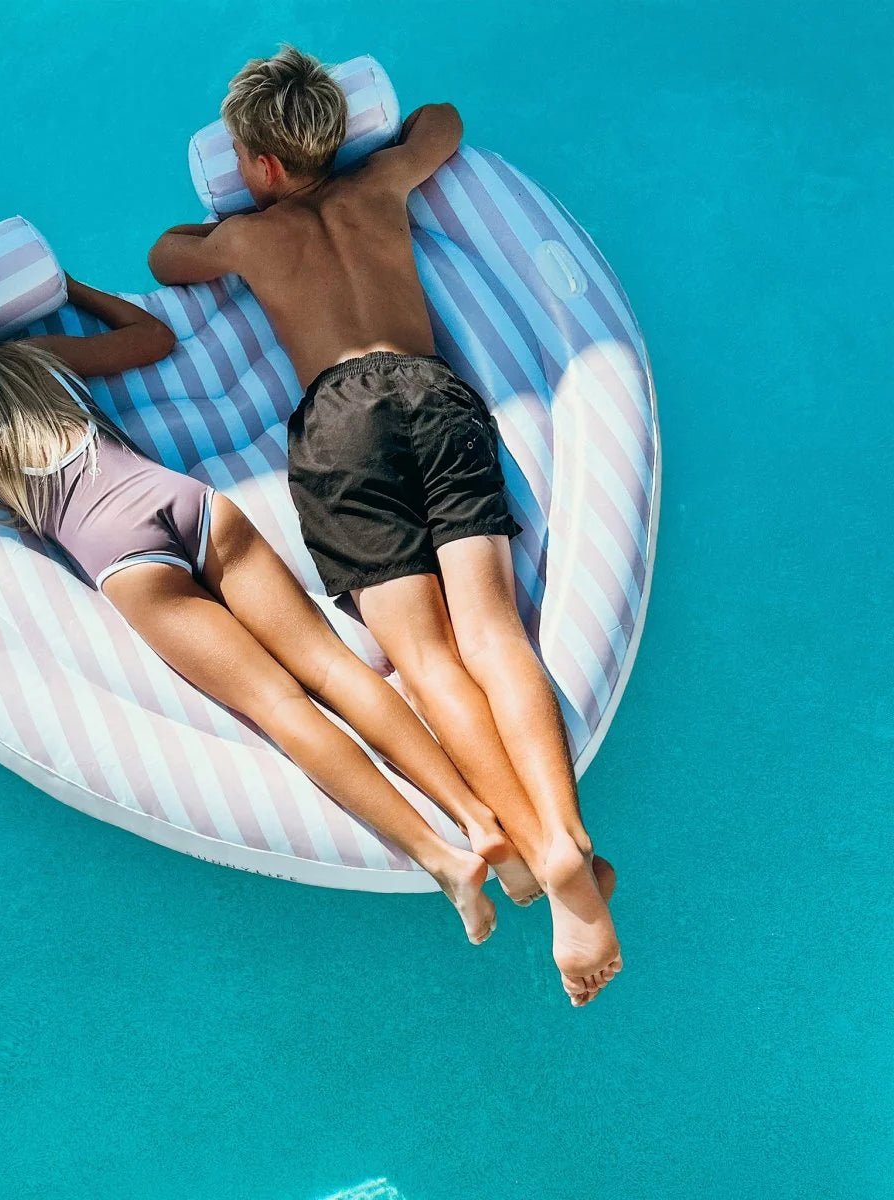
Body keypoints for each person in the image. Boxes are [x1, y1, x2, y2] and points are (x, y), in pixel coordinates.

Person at [0, 274, 549, 945]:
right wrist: (72, 288)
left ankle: (446, 860)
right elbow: (151, 339)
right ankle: (485, 823)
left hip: (132, 565)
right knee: (335, 669)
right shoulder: (36, 361)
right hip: (194, 506)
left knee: (284, 707)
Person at [148, 47, 621, 1006]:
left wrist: (235, 212)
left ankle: (534, 848)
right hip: (436, 393)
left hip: (341, 423)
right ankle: (566, 838)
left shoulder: (249, 237)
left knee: (426, 655)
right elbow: (441, 120)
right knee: (492, 632)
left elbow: (167, 256)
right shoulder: (381, 183)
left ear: (264, 168)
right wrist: (373, 140)